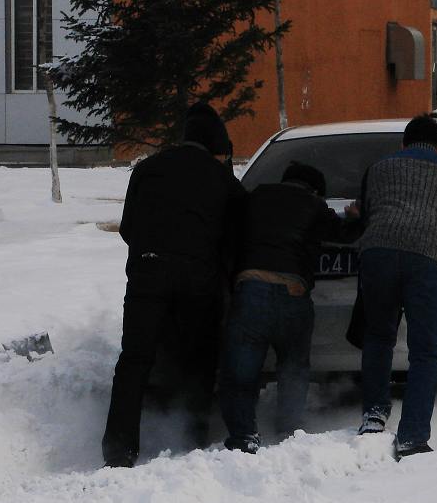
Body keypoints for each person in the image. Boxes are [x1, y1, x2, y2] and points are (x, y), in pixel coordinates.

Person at [102, 102, 246, 468]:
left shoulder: (146, 169)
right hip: (198, 279)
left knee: (134, 360)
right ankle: (191, 444)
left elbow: (128, 228)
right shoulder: (221, 179)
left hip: (147, 273)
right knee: (198, 360)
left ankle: (119, 450)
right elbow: (239, 234)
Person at [356, 115, 437, 460]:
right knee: (425, 351)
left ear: (404, 145)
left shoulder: (379, 168)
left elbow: (366, 211)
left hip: (377, 253)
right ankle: (412, 436)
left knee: (378, 337)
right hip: (426, 259)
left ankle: (374, 417)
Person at [218, 163, 348, 453]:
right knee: (294, 369)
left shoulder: (253, 197)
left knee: (241, 371)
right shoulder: (315, 206)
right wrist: (353, 216)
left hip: (251, 290)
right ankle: (288, 433)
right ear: (315, 190)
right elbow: (346, 235)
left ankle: (243, 437)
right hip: (294, 293)